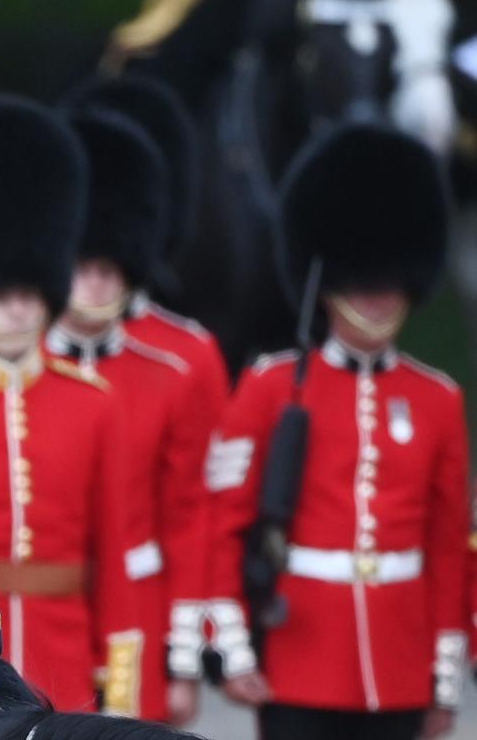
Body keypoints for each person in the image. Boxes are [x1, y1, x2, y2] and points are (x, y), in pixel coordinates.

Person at [208, 123, 468, 740]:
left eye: (388, 283)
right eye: (360, 282)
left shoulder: (437, 399)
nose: (376, 298)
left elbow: (446, 547)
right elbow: (224, 522)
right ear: (325, 284)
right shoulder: (272, 388)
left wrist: (444, 673)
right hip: (301, 657)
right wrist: (235, 645)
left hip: (401, 664)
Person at [0, 97, 142, 715]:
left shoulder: (94, 405)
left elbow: (114, 559)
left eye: (27, 292)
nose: (16, 308)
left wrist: (118, 688)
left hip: (65, 659)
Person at [44, 109, 210, 725]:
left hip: (138, 609)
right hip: (42, 605)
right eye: (81, 267)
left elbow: (189, 517)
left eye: (107, 270)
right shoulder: (19, 375)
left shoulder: (168, 372)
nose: (92, 284)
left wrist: (184, 657)